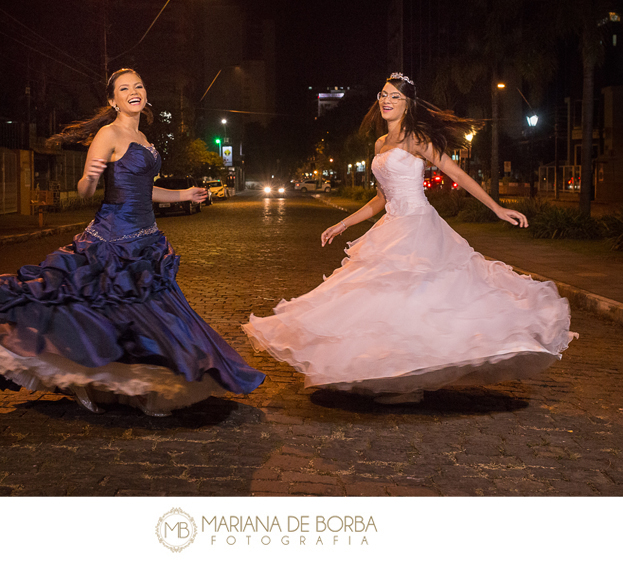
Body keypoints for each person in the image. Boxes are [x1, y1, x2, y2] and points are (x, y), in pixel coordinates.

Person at [0, 69, 265, 416]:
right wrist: (89, 177)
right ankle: (90, 384)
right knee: (101, 314)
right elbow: (86, 189)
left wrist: (183, 194)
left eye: (139, 86)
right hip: (113, 237)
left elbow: (145, 190)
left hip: (146, 239)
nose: (134, 92)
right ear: (112, 99)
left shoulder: (143, 135)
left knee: (143, 318)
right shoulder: (108, 134)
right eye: (124, 88)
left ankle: (134, 387)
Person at [243, 72, 575, 404]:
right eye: (383, 95)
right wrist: (344, 223)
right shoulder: (379, 144)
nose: (386, 101)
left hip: (418, 225)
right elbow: (381, 199)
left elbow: (456, 173)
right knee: (386, 304)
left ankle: (411, 381)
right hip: (391, 223)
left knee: (419, 302)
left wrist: (496, 208)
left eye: (395, 97)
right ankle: (399, 378)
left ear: (407, 104)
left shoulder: (416, 138)